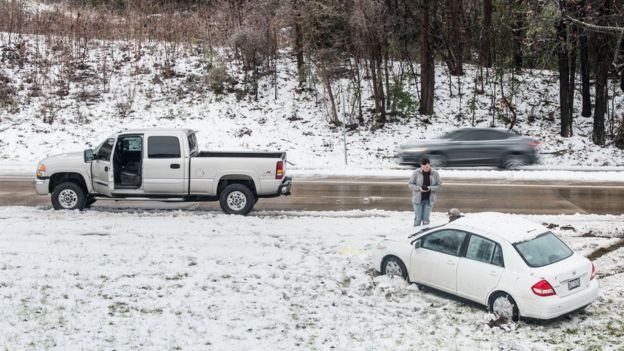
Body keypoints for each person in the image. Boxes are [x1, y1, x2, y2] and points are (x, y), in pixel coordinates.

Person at [408, 158, 442, 226]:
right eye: (423, 167)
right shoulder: (416, 172)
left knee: (426, 220)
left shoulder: (435, 173)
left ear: (429, 165)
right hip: (417, 200)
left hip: (429, 200)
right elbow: (410, 184)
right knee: (418, 219)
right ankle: (415, 234)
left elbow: (439, 186)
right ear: (421, 166)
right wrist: (419, 188)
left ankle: (425, 234)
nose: (425, 169)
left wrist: (430, 188)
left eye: (426, 167)